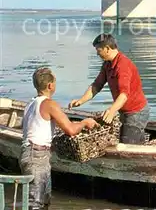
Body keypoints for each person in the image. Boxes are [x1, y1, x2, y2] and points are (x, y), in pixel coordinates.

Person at [20, 67, 98, 210]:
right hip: (37, 156)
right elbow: (71, 130)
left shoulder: (30, 104)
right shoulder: (50, 104)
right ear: (50, 86)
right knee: (36, 203)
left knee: (44, 200)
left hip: (30, 154)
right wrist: (85, 122)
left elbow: (33, 126)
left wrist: (75, 124)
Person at [68, 33, 150, 144]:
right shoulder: (107, 64)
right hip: (125, 112)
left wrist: (111, 111)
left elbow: (124, 94)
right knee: (132, 142)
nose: (97, 53)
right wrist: (81, 100)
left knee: (127, 146)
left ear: (107, 49)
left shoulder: (122, 66)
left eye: (98, 50)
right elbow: (97, 85)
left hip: (136, 112)